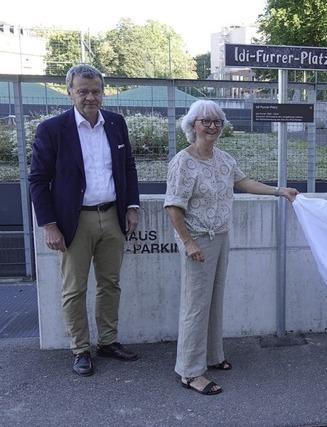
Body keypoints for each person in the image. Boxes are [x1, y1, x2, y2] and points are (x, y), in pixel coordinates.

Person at [164, 100, 298, 395]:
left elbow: (244, 181)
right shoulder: (183, 162)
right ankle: (189, 371)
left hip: (221, 236)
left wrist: (279, 191)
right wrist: (188, 243)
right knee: (195, 306)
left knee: (213, 301)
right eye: (205, 121)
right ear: (192, 125)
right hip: (197, 240)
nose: (212, 126)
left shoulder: (223, 159)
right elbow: (173, 207)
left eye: (217, 122)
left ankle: (212, 356)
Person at [29, 64, 141, 377]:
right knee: (73, 289)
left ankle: (108, 341)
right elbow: (37, 179)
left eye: (96, 91)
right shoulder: (52, 129)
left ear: (103, 92)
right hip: (73, 222)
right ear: (70, 92)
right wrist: (49, 225)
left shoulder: (117, 124)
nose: (90, 97)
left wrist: (132, 206)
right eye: (83, 91)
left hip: (113, 216)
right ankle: (80, 349)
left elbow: (128, 167)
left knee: (110, 284)